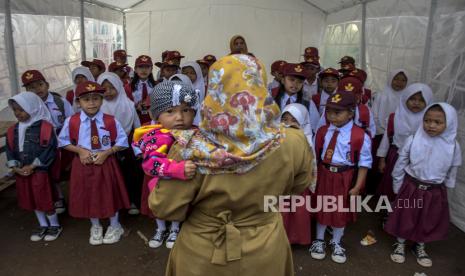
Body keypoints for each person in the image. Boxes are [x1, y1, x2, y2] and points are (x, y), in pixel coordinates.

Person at [148, 54, 314, 275]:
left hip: (203, 256)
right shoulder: (292, 141)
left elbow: (165, 207)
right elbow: (298, 186)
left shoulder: (190, 147)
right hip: (265, 252)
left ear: (214, 89)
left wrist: (154, 184)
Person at [385, 103, 461, 268]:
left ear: (450, 123)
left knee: (427, 218)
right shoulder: (414, 140)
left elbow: (452, 170)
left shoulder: (453, 146)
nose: (431, 125)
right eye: (427, 120)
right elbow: (401, 162)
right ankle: (400, 243)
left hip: (434, 191)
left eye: (438, 122)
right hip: (411, 187)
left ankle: (420, 245)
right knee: (406, 216)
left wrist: (446, 190)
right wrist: (397, 183)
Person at [58, 81, 130, 245]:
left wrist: (107, 152)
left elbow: (123, 141)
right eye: (86, 99)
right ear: (78, 102)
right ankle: (95, 225)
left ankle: (114, 225)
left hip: (106, 163)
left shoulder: (110, 121)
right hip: (83, 164)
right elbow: (62, 141)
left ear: (102, 100)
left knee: (110, 192)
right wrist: (80, 151)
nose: (91, 103)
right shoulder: (72, 121)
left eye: (96, 98)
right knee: (88, 194)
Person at [132, 81, 198, 249]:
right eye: (170, 111)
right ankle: (161, 229)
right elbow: (150, 164)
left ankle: (175, 229)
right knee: (160, 207)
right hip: (161, 182)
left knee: (179, 204)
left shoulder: (196, 132)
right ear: (157, 115)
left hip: (185, 184)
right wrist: (177, 169)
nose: (179, 117)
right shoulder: (156, 136)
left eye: (186, 110)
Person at [310, 91, 372, 264]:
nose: (332, 116)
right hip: (324, 174)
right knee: (322, 207)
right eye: (329, 111)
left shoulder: (360, 135)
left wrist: (357, 186)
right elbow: (315, 155)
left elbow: (364, 164)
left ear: (351, 112)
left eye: (338, 112)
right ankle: (319, 240)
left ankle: (336, 242)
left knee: (340, 211)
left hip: (345, 177)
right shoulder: (323, 132)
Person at [6, 92, 62, 242]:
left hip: (40, 172)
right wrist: (15, 167)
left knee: (45, 198)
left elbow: (50, 149)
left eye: (21, 109)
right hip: (22, 172)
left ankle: (55, 225)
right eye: (15, 110)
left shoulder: (45, 127)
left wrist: (33, 165)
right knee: (31, 199)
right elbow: (10, 150)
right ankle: (43, 224)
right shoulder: (13, 130)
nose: (18, 113)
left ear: (33, 108)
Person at [21, 69, 74, 213]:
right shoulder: (26, 107)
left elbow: (71, 120)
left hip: (61, 141)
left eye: (40, 84)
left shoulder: (60, 102)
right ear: (26, 91)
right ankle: (58, 198)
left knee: (66, 171)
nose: (37, 89)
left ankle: (75, 197)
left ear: (47, 85)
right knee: (48, 172)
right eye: (31, 87)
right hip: (41, 145)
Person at [376, 83, 433, 203]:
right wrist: (382, 159)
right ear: (405, 98)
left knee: (409, 189)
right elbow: (387, 139)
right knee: (392, 185)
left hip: (417, 160)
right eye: (412, 99)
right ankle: (390, 212)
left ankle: (404, 213)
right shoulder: (394, 117)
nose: (416, 103)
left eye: (421, 100)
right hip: (395, 156)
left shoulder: (429, 123)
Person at [98, 72, 142, 216]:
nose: (108, 92)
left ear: (118, 87)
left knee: (129, 174)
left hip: (126, 146)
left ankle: (131, 201)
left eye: (112, 88)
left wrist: (139, 145)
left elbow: (137, 126)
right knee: (110, 176)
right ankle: (114, 202)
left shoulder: (128, 105)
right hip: (104, 147)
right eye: (104, 89)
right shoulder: (98, 107)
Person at [280, 103, 317, 245]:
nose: (288, 124)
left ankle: (296, 238)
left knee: (297, 212)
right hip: (282, 182)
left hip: (299, 183)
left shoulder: (307, 140)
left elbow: (310, 164)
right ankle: (280, 238)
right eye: (285, 120)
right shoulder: (276, 138)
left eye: (294, 121)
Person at [272, 63, 320, 135]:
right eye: (292, 80)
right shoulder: (272, 98)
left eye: (300, 82)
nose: (295, 84)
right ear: (283, 80)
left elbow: (315, 126)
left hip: (296, 140)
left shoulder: (307, 102)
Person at [125, 55, 157, 124]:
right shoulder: (128, 87)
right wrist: (136, 107)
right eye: (140, 67)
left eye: (147, 67)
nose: (143, 70)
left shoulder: (157, 86)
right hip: (135, 120)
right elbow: (125, 106)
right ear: (135, 69)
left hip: (152, 120)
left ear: (151, 69)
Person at [181, 62, 206, 126]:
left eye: (192, 73)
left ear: (198, 74)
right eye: (186, 73)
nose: (188, 75)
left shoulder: (204, 88)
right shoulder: (179, 87)